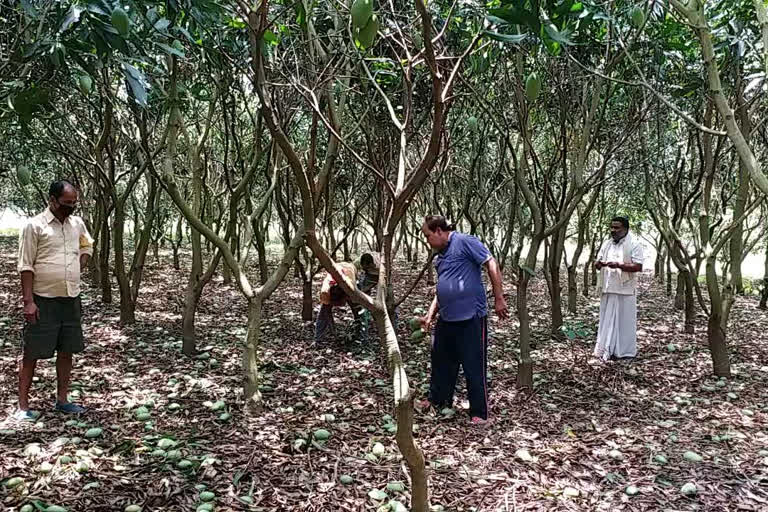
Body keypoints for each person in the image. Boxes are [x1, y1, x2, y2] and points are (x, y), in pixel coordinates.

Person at [418, 215, 509, 425]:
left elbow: (491, 263)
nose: (427, 241)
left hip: (471, 317)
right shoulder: (440, 257)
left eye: (428, 236)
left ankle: (479, 412)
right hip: (447, 318)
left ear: (439, 231)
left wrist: (499, 298)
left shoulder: (465, 242)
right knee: (441, 361)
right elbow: (443, 288)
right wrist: (431, 314)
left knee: (473, 365)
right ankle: (439, 400)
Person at [15, 180, 94, 421]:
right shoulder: (34, 226)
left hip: (70, 298)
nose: (70, 208)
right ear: (52, 200)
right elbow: (25, 265)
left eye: (74, 204)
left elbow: (87, 246)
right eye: (65, 204)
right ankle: (22, 406)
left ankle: (62, 400)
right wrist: (28, 301)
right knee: (32, 352)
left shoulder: (77, 224)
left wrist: (76, 267)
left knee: (67, 350)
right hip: (43, 299)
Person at [594, 216, 644, 361]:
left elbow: (638, 266)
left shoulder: (634, 244)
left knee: (624, 322)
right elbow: (598, 260)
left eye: (617, 228)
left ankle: (624, 352)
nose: (613, 231)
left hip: (625, 290)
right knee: (606, 319)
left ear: (626, 229)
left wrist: (619, 265)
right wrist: (598, 264)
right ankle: (605, 349)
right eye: (612, 227)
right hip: (609, 288)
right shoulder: (607, 244)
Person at [314, 253, 379, 342]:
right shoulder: (325, 292)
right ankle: (319, 337)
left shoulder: (350, 287)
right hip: (337, 277)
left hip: (350, 274)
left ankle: (363, 338)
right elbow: (324, 314)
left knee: (358, 310)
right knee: (324, 311)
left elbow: (356, 300)